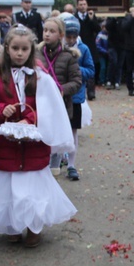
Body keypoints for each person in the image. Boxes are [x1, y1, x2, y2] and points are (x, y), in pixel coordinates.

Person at [0, 24, 77, 248]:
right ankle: (11, 227)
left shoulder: (41, 76)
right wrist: (1, 110)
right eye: (15, 48)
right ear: (7, 48)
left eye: (24, 49)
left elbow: (48, 108)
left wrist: (31, 120)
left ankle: (34, 227)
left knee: (33, 189)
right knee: (7, 189)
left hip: (33, 146)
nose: (20, 53)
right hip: (6, 146)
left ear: (31, 50)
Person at [36, 16, 82, 176]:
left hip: (60, 106)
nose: (47, 34)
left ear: (61, 35)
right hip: (38, 106)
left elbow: (77, 81)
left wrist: (62, 89)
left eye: (52, 31)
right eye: (45, 30)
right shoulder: (35, 54)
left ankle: (54, 172)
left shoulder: (69, 56)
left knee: (54, 140)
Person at [63, 18, 95, 181]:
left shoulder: (84, 49)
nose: (71, 39)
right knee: (59, 128)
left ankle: (71, 164)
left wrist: (76, 70)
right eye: (68, 36)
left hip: (76, 96)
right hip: (60, 95)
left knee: (73, 130)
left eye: (74, 36)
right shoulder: (58, 49)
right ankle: (58, 158)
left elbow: (91, 70)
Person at [73, 0, 102, 100]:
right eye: (80, 5)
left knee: (90, 68)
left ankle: (91, 92)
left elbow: (98, 29)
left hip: (90, 46)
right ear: (77, 6)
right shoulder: (74, 18)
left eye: (84, 4)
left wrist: (91, 19)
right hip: (77, 45)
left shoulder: (91, 17)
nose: (82, 6)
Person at [95, 21, 109, 87]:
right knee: (103, 67)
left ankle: (107, 79)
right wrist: (105, 51)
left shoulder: (109, 34)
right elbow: (98, 45)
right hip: (102, 54)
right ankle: (101, 80)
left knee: (108, 67)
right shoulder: (100, 35)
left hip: (108, 53)